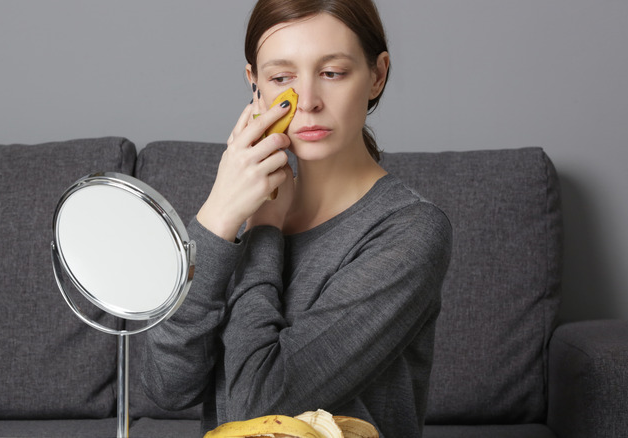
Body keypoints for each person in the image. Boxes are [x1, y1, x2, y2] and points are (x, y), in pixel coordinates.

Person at [141, 0, 452, 436]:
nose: (307, 102)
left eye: (332, 73)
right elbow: (164, 389)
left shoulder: (410, 231)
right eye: (282, 77)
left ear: (377, 75)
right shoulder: (233, 213)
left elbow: (261, 406)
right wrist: (217, 216)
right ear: (255, 84)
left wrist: (265, 232)